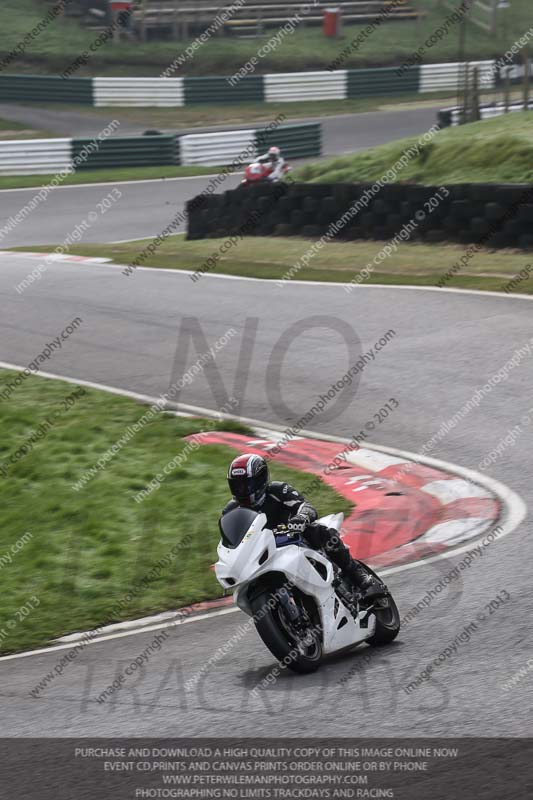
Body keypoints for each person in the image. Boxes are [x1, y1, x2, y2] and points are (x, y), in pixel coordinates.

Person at [221, 453, 385, 600]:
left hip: (294, 537)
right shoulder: (231, 510)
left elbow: (306, 506)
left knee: (320, 532)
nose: (242, 490)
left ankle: (358, 576)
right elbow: (231, 539)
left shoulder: (277, 490)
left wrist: (301, 518)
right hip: (265, 551)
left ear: (260, 480)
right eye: (237, 485)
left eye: (246, 484)